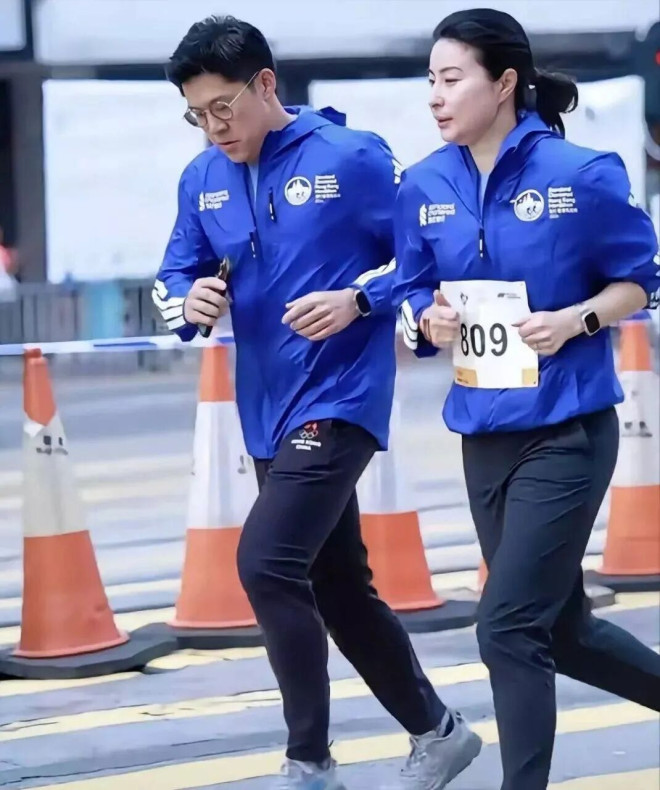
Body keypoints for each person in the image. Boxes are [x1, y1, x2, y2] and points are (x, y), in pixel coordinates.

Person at [153, 15, 481, 790]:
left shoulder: (351, 156)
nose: (215, 127)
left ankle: (309, 762)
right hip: (265, 407)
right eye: (197, 115)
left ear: (265, 83)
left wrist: (358, 301)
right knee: (338, 590)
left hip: (341, 396)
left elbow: (425, 255)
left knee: (266, 564)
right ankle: (439, 734)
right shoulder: (202, 178)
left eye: (224, 107)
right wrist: (187, 300)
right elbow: (173, 276)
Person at [392, 8, 660, 790]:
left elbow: (641, 280)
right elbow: (412, 291)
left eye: (452, 79)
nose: (436, 97)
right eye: (431, 81)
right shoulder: (424, 183)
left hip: (567, 429)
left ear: (505, 82)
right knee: (563, 631)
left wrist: (577, 319)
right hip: (484, 433)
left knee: (507, 626)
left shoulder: (582, 174)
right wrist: (427, 320)